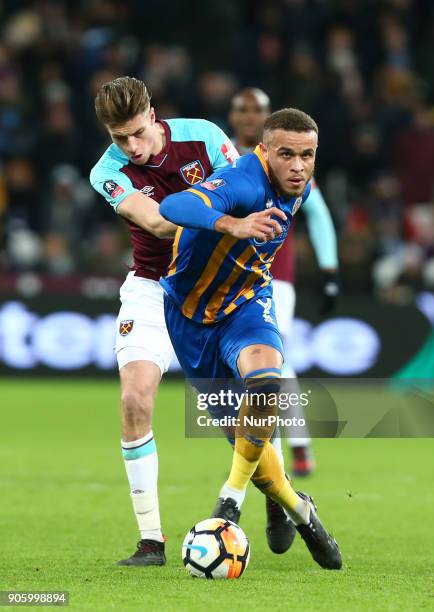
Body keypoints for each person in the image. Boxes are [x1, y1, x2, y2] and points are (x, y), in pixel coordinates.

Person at [159, 108, 342, 570]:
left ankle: (230, 498)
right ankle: (299, 508)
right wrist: (233, 224)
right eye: (287, 155)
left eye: (307, 155)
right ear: (264, 151)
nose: (298, 166)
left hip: (248, 302)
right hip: (191, 318)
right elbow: (173, 207)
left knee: (266, 382)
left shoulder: (297, 185)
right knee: (248, 443)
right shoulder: (243, 181)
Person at [89, 76, 240, 567]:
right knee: (134, 399)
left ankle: (281, 500)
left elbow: (246, 191)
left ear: (153, 114)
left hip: (214, 289)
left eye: (136, 132)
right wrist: (224, 220)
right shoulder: (106, 171)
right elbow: (153, 221)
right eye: (119, 138)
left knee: (233, 419)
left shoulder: (204, 136)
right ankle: (150, 541)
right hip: (152, 288)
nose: (131, 148)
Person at [228, 87, 339, 477]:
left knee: (272, 361)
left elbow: (319, 212)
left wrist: (329, 270)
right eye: (243, 109)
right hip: (224, 278)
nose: (249, 115)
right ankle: (279, 450)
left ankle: (292, 446)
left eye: (258, 108)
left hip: (275, 277)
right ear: (233, 115)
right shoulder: (220, 155)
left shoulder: (290, 163)